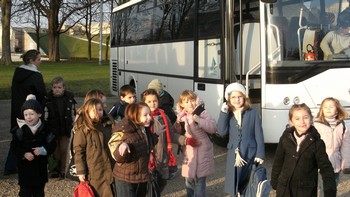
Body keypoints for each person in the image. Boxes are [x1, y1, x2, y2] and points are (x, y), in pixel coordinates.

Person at [271, 103, 337, 197]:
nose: (302, 121)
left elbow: (326, 168)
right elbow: (278, 161)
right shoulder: (285, 138)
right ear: (291, 121)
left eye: (305, 117)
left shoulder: (317, 143)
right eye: (297, 119)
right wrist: (275, 182)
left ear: (311, 118)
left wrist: (330, 190)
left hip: (305, 191)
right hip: (284, 189)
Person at [216, 82, 265, 196]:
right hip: (234, 153)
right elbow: (222, 131)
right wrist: (223, 113)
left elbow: (259, 134)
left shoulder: (253, 113)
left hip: (250, 152)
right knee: (235, 180)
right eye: (233, 97)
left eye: (239, 97)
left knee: (248, 179)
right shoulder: (228, 114)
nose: (237, 100)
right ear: (228, 99)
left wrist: (260, 153)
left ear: (244, 97)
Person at [5, 49, 46, 176]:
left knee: (18, 137)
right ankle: (31, 164)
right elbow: (41, 94)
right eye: (38, 59)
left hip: (18, 110)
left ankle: (11, 165)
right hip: (31, 111)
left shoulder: (18, 73)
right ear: (31, 60)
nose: (40, 62)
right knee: (34, 136)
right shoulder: (35, 75)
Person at [141, 89, 187, 195]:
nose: (152, 103)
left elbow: (171, 135)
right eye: (149, 101)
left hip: (162, 159)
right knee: (149, 188)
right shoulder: (141, 118)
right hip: (148, 161)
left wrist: (185, 140)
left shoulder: (164, 117)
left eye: (155, 101)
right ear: (144, 103)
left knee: (160, 185)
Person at [11, 95, 56, 197]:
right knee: (25, 193)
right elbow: (14, 146)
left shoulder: (46, 129)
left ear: (39, 114)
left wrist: (44, 150)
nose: (28, 117)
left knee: (39, 193)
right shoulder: (20, 130)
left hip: (40, 168)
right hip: (25, 169)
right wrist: (23, 153)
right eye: (26, 114)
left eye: (31, 114)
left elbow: (52, 144)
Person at [174, 90, 216, 197]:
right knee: (189, 180)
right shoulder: (181, 116)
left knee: (200, 181)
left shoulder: (202, 112)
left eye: (192, 100)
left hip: (203, 150)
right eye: (186, 101)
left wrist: (199, 120)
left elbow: (213, 128)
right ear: (181, 104)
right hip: (189, 151)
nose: (190, 103)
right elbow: (177, 133)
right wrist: (177, 125)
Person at [112, 102, 158, 197]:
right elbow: (118, 158)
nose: (149, 117)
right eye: (145, 115)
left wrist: (156, 136)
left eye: (149, 114)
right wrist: (123, 146)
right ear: (135, 116)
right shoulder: (126, 132)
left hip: (140, 176)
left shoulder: (144, 128)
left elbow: (145, 143)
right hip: (125, 178)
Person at [72, 98, 115, 197]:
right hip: (93, 170)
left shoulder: (108, 125)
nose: (98, 113)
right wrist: (81, 171)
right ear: (87, 112)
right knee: (96, 192)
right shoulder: (83, 130)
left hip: (109, 167)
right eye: (94, 110)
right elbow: (79, 151)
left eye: (100, 110)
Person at [314, 97, 350, 196]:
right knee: (324, 189)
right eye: (325, 107)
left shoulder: (342, 125)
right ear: (321, 109)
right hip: (322, 164)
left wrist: (346, 164)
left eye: (331, 106)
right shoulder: (317, 125)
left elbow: (346, 146)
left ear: (337, 109)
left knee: (333, 187)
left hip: (336, 164)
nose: (328, 109)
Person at [45, 76, 77, 178]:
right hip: (52, 129)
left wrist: (73, 125)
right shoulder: (47, 99)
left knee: (64, 150)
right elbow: (45, 115)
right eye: (55, 87)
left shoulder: (69, 98)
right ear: (52, 88)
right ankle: (54, 169)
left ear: (64, 88)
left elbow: (72, 113)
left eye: (59, 87)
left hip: (65, 129)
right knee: (55, 151)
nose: (57, 90)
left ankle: (64, 169)